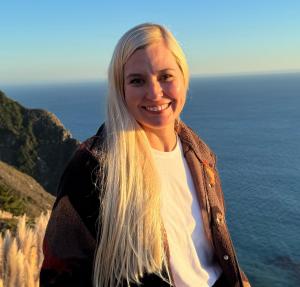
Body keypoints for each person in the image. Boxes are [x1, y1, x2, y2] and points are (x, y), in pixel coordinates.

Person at [40, 23, 251, 287]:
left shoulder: (200, 155)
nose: (154, 93)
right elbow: (58, 277)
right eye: (137, 80)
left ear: (184, 79)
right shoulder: (94, 167)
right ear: (121, 88)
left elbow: (211, 252)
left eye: (166, 77)